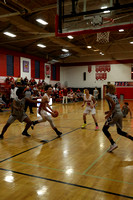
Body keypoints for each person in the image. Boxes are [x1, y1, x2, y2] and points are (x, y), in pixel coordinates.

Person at [102, 84, 133, 152]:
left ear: (108, 89)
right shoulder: (114, 95)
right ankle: (132, 138)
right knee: (119, 131)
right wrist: (109, 111)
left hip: (114, 114)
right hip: (119, 113)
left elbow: (113, 104)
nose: (105, 90)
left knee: (104, 129)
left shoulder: (107, 95)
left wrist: (110, 113)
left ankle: (113, 144)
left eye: (106, 88)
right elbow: (116, 105)